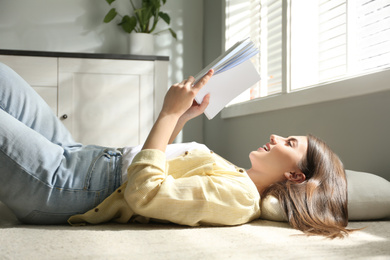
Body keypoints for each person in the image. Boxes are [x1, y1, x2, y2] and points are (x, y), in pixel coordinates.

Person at [0, 62, 351, 238]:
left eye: (290, 143)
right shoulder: (235, 176)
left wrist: (167, 114)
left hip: (66, 185)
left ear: (295, 175)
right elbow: (161, 166)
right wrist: (181, 119)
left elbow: (145, 193)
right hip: (80, 155)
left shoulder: (239, 200)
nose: (275, 136)